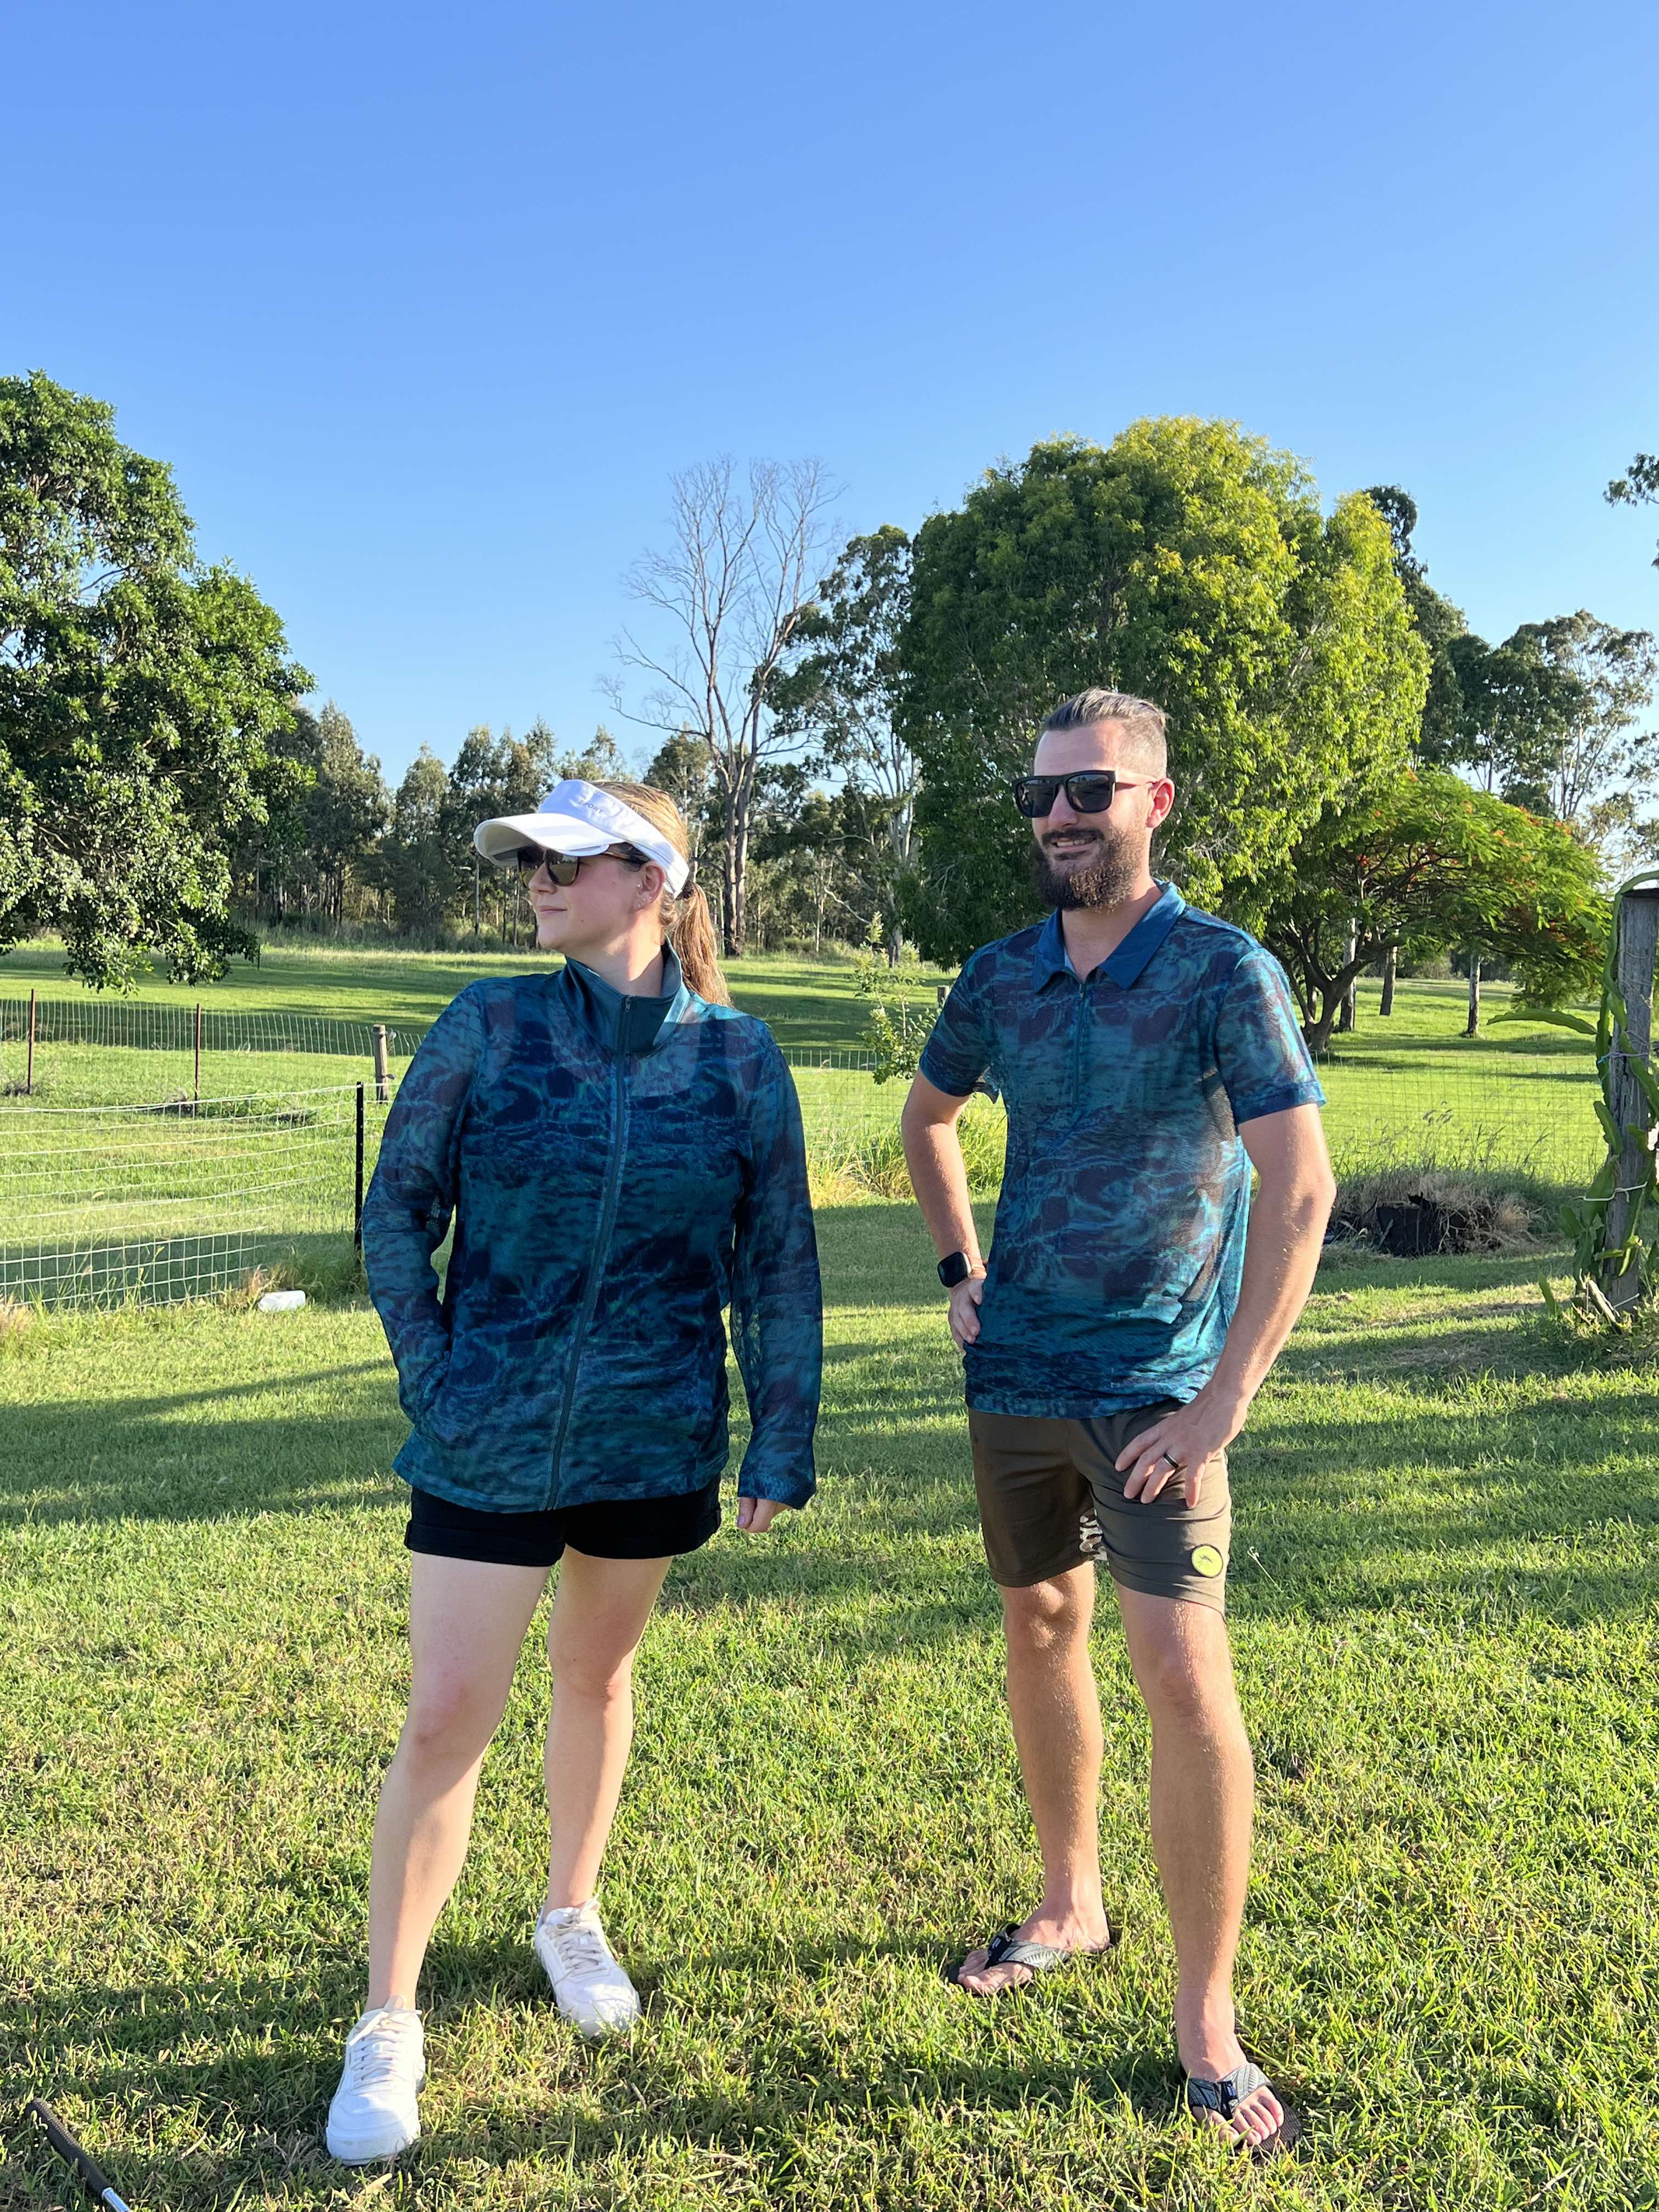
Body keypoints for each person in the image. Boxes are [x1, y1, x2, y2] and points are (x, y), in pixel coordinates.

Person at [325, 778, 821, 2164]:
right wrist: (437, 1373)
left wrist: (782, 1432)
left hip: (651, 1435)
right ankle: (389, 2020)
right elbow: (397, 1214)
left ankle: (569, 1914)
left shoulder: (738, 1061)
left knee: (598, 1678)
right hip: (486, 1440)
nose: (538, 878)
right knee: (444, 1720)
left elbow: (777, 1261)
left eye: (569, 859)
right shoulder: (490, 1024)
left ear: (651, 882)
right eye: (529, 860)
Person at [900, 691, 1334, 2159]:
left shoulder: (1224, 971)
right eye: (1040, 797)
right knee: (1038, 1628)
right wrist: (962, 1272)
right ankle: (1071, 1902)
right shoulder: (1002, 975)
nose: (1060, 818)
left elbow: (1303, 1191)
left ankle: (1206, 2021)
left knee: (1178, 1667)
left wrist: (1225, 1402)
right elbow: (930, 1119)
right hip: (1016, 1376)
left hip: (1159, 1389)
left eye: (1090, 791)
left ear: (1157, 802)